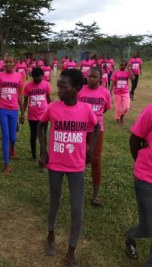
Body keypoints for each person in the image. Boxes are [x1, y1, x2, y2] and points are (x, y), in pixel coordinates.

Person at [38, 69, 100, 266]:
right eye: (58, 86)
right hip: (55, 163)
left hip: (76, 166)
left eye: (64, 87)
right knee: (54, 202)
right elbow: (41, 125)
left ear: (77, 89)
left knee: (77, 209)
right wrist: (43, 151)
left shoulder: (86, 110)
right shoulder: (52, 107)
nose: (59, 90)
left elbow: (96, 126)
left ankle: (71, 250)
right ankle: (50, 235)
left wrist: (91, 149)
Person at [78, 67, 111, 205]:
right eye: (89, 76)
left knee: (95, 159)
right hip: (80, 128)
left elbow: (106, 108)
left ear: (100, 79)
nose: (91, 79)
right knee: (78, 157)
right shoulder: (80, 90)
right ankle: (76, 188)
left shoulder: (105, 92)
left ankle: (96, 194)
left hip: (97, 130)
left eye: (94, 77)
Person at [124, 103, 152, 266]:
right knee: (148, 226)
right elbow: (134, 140)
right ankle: (131, 236)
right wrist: (142, 162)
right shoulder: (150, 110)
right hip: (146, 177)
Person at [0, 54, 24, 174]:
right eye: (6, 62)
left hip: (14, 110)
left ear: (14, 63)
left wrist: (22, 113)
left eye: (10, 62)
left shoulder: (19, 76)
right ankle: (6, 164)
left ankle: (12, 149)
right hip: (2, 109)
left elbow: (20, 96)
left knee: (13, 137)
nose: (8, 64)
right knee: (5, 137)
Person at [21, 67, 51, 166]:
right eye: (35, 78)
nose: (37, 80)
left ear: (42, 76)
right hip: (32, 116)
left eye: (39, 78)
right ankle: (34, 156)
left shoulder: (46, 85)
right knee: (33, 136)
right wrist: (22, 113)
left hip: (44, 115)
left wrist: (51, 113)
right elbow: (25, 101)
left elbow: (48, 100)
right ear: (32, 77)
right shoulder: (28, 86)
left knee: (43, 136)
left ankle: (43, 155)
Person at [110, 60, 135, 125]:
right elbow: (113, 83)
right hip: (117, 93)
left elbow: (133, 78)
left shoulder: (127, 72)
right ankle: (117, 119)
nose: (121, 66)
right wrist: (110, 92)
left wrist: (129, 70)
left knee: (126, 107)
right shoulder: (116, 72)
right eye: (120, 65)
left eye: (123, 65)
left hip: (125, 92)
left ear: (126, 66)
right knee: (117, 108)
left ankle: (121, 117)